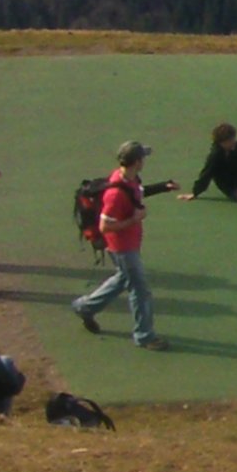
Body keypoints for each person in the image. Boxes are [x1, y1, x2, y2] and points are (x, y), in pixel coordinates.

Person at [72, 140, 166, 350]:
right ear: (137, 162)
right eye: (143, 157)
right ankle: (144, 335)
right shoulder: (115, 193)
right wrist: (134, 219)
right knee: (140, 291)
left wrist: (162, 187)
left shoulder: (130, 180)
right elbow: (105, 226)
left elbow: (138, 194)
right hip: (123, 248)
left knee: (122, 280)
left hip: (130, 244)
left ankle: (84, 307)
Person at [179, 122, 237, 206]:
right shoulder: (215, 157)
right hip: (233, 187)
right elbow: (206, 175)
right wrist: (195, 192)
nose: (234, 141)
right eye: (231, 139)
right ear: (223, 142)